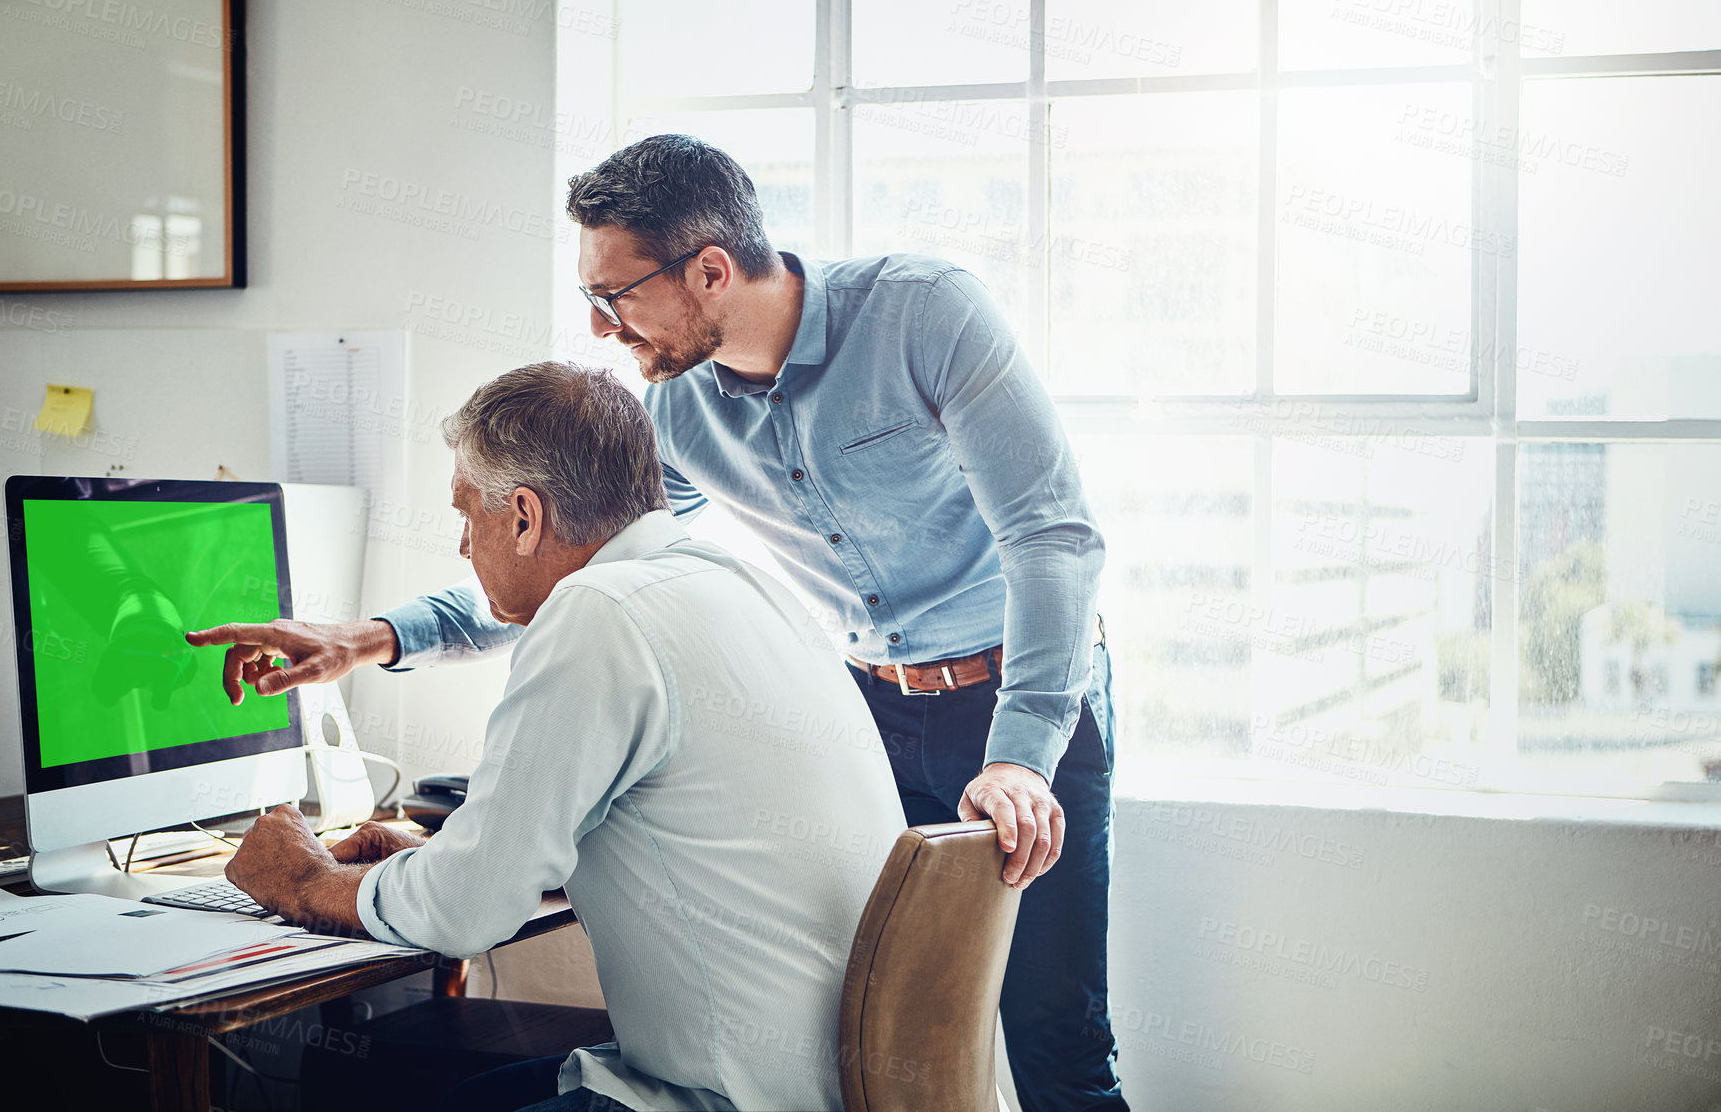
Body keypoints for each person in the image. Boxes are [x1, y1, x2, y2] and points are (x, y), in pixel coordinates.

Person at [201, 135, 1123, 1111]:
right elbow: (579, 553)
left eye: (616, 295)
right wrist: (372, 636)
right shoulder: (680, 412)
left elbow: (1052, 535)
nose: (601, 327)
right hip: (878, 702)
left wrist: (1021, 754)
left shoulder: (921, 311)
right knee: (855, 1013)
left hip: (1026, 696)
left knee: (1058, 1044)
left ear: (711, 270)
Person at [200, 363, 908, 1112]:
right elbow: (700, 841)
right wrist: (456, 861)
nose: (465, 547)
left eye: (468, 514)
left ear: (526, 517)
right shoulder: (740, 586)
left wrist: (306, 882)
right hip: (835, 1081)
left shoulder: (598, 610)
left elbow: (462, 915)